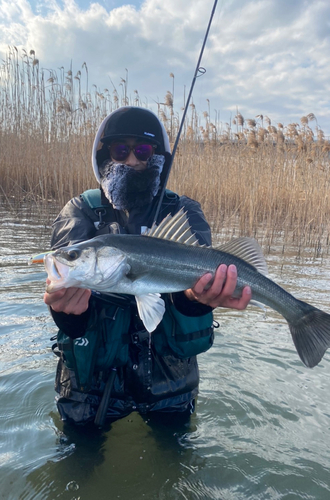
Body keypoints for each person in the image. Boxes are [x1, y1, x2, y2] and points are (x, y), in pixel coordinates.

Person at [44, 106, 251, 426]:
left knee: (176, 468)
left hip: (169, 380)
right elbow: (65, 282)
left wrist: (194, 299)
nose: (132, 160)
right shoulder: (80, 211)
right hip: (91, 385)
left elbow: (195, 285)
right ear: (104, 156)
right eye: (120, 150)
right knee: (77, 462)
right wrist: (66, 313)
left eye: (143, 150)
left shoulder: (183, 210)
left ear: (158, 157)